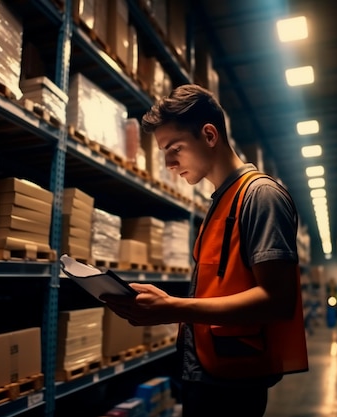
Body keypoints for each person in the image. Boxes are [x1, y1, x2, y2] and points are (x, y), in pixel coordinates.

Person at [101, 84, 308, 417]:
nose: (169, 164)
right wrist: (165, 302)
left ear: (210, 135)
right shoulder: (220, 202)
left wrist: (174, 308)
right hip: (209, 374)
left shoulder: (259, 196)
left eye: (175, 148)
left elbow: (278, 300)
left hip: (234, 385)